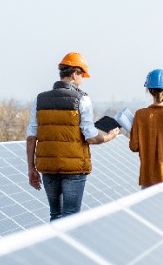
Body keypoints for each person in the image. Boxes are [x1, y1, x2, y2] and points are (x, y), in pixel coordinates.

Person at [26, 52, 122, 220]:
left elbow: (31, 136)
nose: (82, 80)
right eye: (82, 75)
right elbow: (90, 137)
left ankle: (54, 247)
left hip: (48, 167)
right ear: (74, 73)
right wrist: (110, 136)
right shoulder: (82, 99)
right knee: (71, 218)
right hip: (74, 169)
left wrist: (31, 168)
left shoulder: (40, 100)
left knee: (55, 215)